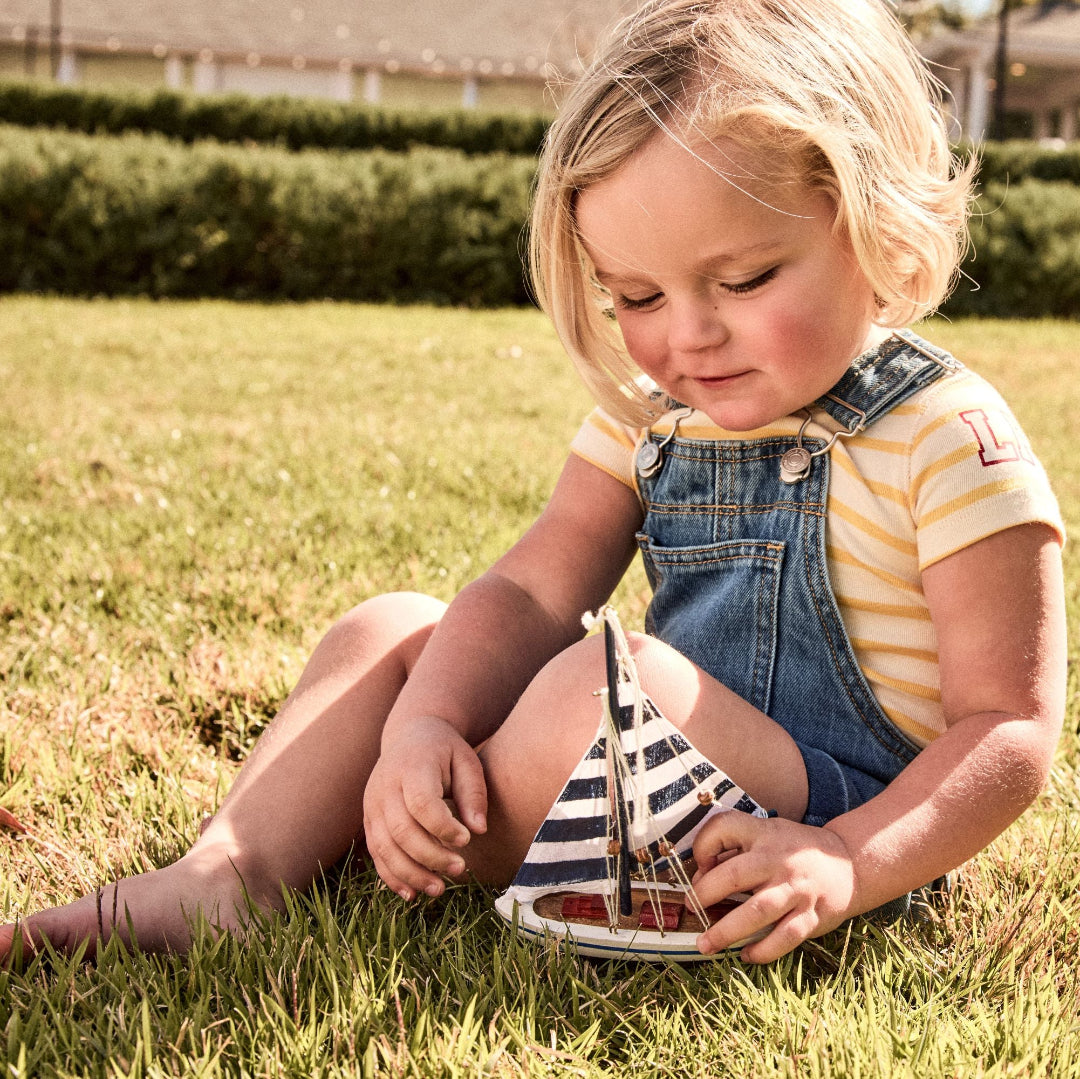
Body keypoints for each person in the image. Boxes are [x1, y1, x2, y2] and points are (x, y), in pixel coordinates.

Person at [1, 0, 1065, 966]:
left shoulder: (949, 438)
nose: (687, 333)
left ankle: (416, 828)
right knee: (399, 626)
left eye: (742, 280)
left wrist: (845, 856)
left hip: (823, 834)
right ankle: (230, 870)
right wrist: (425, 720)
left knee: (608, 678)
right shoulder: (659, 408)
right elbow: (529, 592)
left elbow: (1006, 732)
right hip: (648, 758)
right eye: (636, 295)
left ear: (869, 215)